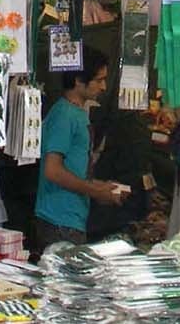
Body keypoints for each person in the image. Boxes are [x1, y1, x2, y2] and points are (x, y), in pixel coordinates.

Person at [34, 46, 124, 249]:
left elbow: (73, 169)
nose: (103, 87)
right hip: (59, 220)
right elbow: (53, 170)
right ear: (78, 81)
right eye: (99, 80)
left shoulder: (76, 113)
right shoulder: (65, 115)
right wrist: (94, 191)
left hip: (70, 218)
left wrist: (100, 187)